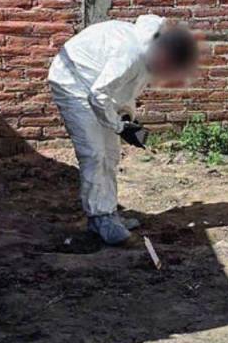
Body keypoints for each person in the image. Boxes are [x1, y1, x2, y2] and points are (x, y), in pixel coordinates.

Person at [48, 16, 198, 245]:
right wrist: (119, 126)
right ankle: (99, 218)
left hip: (97, 87)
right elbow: (98, 94)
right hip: (74, 83)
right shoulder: (132, 53)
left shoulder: (151, 54)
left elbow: (125, 90)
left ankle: (109, 213)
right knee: (94, 153)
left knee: (111, 154)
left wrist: (126, 118)